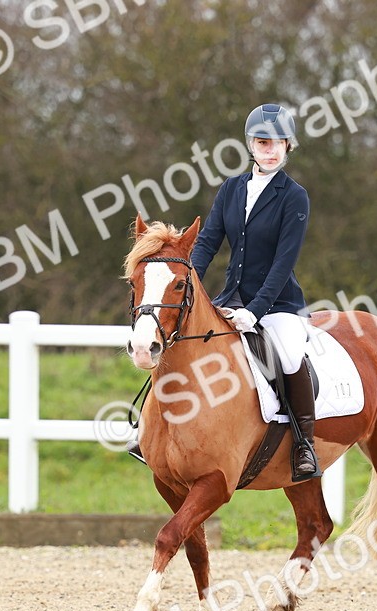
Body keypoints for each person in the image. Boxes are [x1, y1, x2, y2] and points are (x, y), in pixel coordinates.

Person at [129, 103, 319, 480]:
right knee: (180, 341)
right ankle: (150, 432)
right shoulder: (232, 189)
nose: (269, 149)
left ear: (288, 147)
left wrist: (257, 310)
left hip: (278, 304)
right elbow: (206, 244)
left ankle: (303, 444)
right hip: (229, 298)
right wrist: (183, 279)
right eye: (262, 142)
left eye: (277, 143)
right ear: (251, 145)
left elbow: (284, 262)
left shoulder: (294, 196)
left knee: (289, 355)